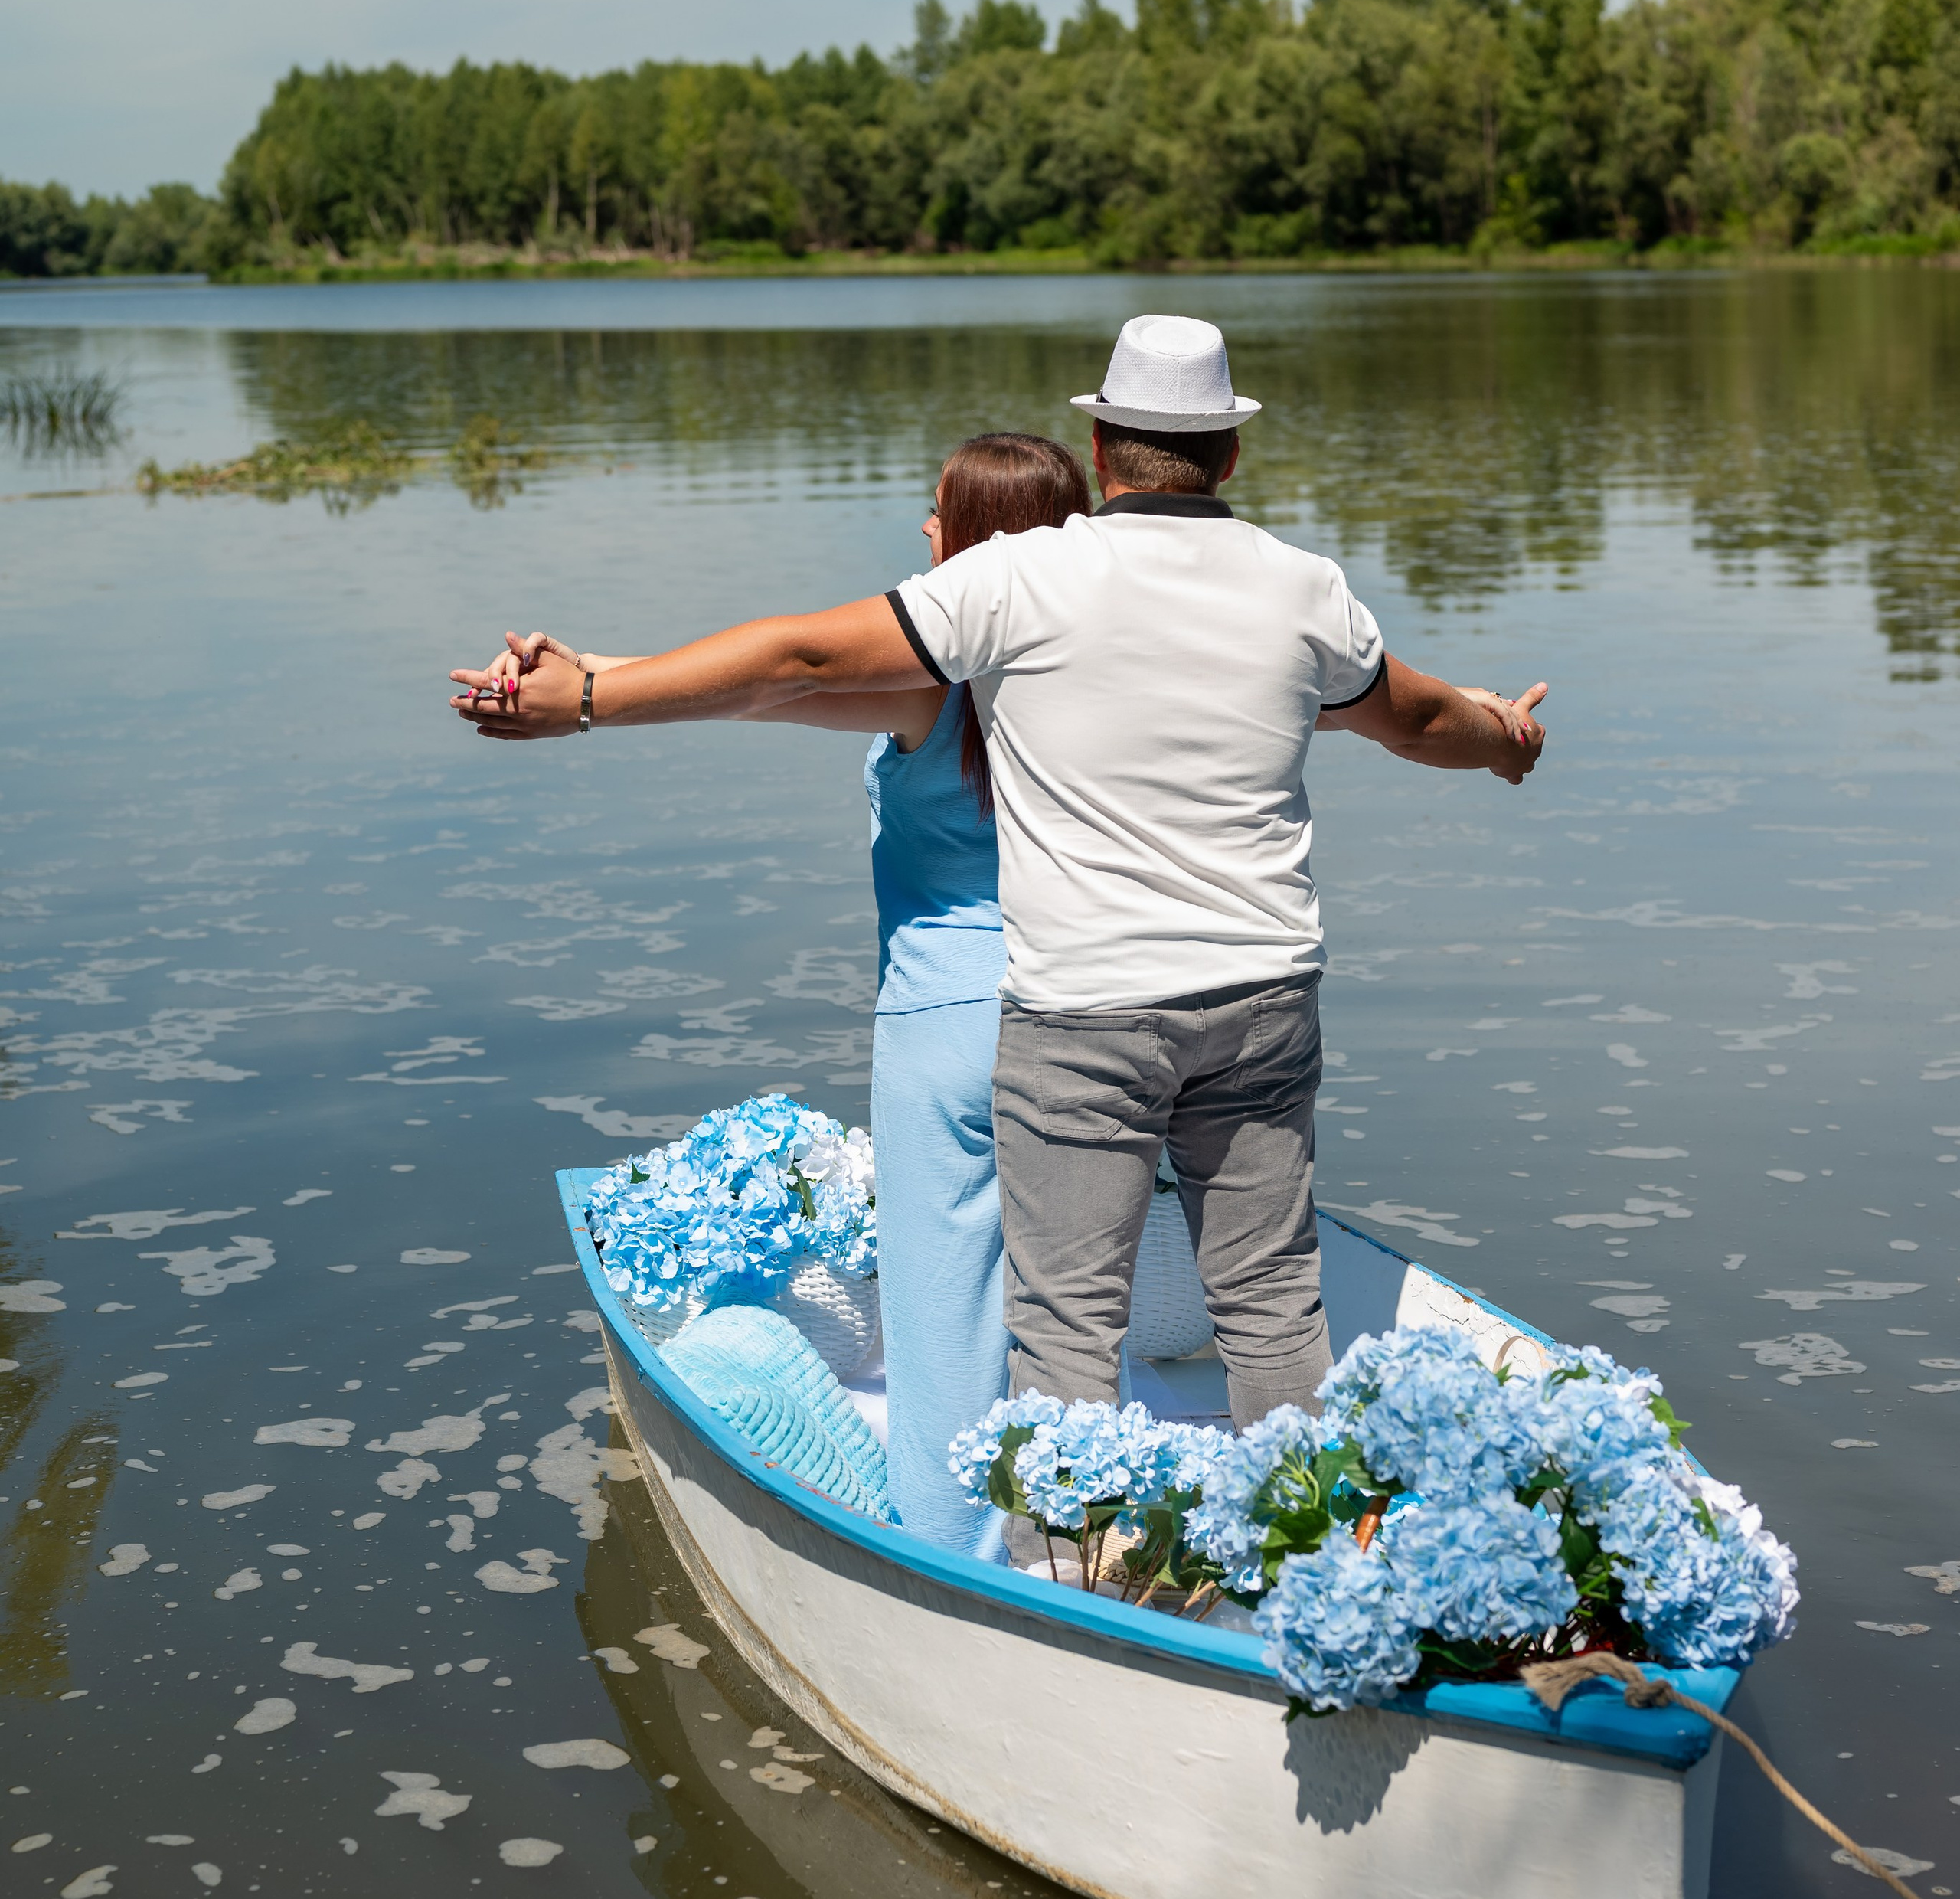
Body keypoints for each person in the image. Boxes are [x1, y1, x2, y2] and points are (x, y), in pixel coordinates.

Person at [450, 313, 1547, 1438]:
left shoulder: (1015, 586)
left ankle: (1056, 1566)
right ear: (1228, 455)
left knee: (1061, 1330)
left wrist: (586, 696)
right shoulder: (1302, 585)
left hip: (1078, 1013)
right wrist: (1502, 735)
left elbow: (793, 665)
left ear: (1106, 446)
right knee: (1271, 1309)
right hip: (1264, 997)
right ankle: (1325, 1551)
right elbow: (1417, 718)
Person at [459, 434, 1089, 1553]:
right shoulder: (1103, 670)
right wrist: (600, 666)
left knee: (945, 1326)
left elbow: (774, 683)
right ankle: (1105, 1531)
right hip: (1097, 1018)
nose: (926, 533)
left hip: (949, 1037)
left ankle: (963, 1565)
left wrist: (591, 698)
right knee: (1075, 1308)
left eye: (940, 515)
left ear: (976, 542)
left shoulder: (930, 680)